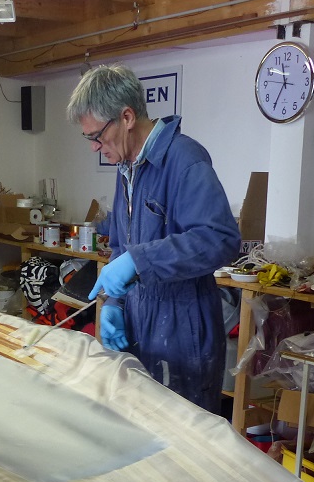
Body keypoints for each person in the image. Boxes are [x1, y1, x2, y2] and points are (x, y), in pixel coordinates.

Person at [66, 64, 240, 412]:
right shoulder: (127, 168)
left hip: (184, 328)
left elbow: (219, 238)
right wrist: (114, 305)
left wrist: (139, 260)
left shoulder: (185, 159)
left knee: (183, 446)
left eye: (96, 136)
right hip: (140, 318)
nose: (94, 147)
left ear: (126, 117)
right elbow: (120, 246)